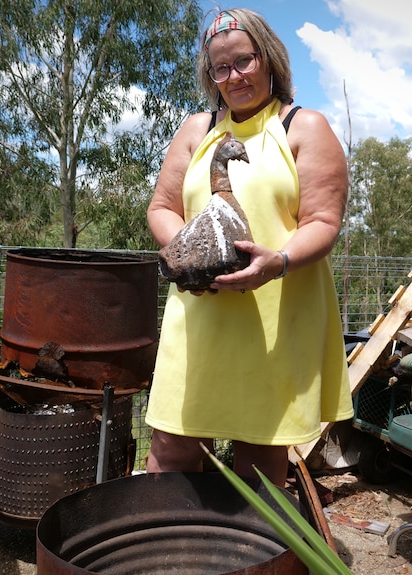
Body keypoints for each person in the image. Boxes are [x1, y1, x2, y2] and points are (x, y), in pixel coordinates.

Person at [145, 8, 353, 486]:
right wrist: (190, 254)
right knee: (171, 449)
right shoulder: (197, 130)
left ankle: (247, 556)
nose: (233, 76)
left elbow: (322, 221)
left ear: (269, 59)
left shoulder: (304, 127)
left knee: (258, 465)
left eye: (244, 61)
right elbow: (162, 206)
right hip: (199, 312)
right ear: (210, 75)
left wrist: (276, 262)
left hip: (274, 317)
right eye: (221, 68)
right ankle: (171, 552)